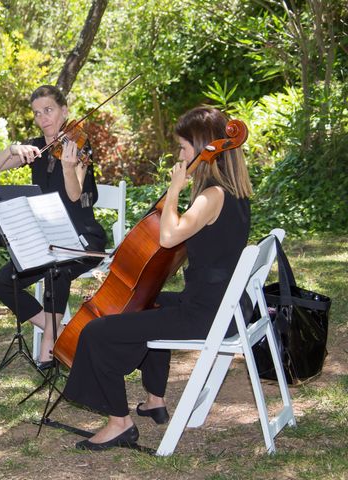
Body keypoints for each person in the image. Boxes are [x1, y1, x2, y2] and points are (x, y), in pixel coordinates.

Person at [62, 106, 253, 450]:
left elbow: (168, 237)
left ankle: (119, 423)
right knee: (148, 303)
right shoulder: (236, 193)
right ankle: (155, 400)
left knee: (97, 332)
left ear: (203, 146)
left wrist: (176, 189)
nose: (180, 155)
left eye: (182, 147)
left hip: (207, 315)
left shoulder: (212, 196)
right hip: (226, 306)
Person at [0, 85, 107, 367]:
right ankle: (62, 333)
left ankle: (48, 349)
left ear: (64, 111)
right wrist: (13, 149)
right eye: (37, 114)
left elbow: (75, 197)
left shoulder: (79, 146)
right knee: (2, 282)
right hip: (45, 238)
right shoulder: (36, 147)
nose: (43, 119)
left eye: (48, 110)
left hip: (82, 238)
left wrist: (66, 167)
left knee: (57, 269)